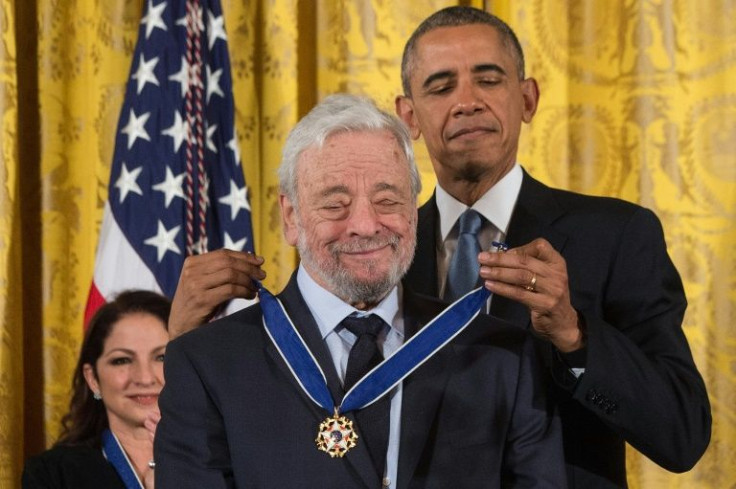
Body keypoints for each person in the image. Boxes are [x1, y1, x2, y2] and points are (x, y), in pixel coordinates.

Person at [165, 7, 711, 488]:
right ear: (409, 117)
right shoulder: (375, 243)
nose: (467, 102)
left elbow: (681, 437)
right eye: (441, 85)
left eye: (489, 80)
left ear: (527, 98)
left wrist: (574, 336)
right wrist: (184, 338)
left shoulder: (616, 234)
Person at [153, 94, 566, 488]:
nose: (366, 226)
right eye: (335, 205)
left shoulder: (500, 356)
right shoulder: (208, 363)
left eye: (387, 200)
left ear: (413, 209)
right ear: (291, 216)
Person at [22, 290, 171, 489]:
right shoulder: (52, 474)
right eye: (122, 360)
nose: (145, 378)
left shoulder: (221, 460)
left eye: (161, 357)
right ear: (92, 378)